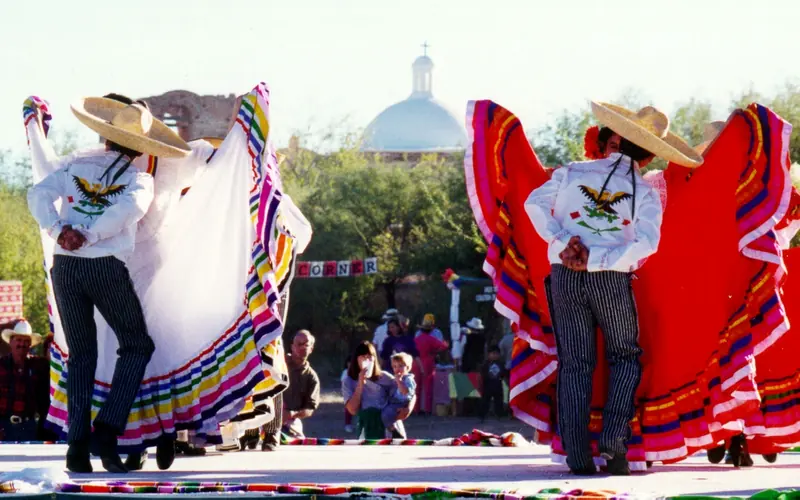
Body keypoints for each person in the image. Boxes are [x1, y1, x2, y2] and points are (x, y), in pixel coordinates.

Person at [464, 98, 793, 474]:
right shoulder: (646, 191)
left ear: (609, 141)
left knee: (575, 364)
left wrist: (563, 244)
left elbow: (533, 204)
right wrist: (598, 259)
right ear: (648, 156)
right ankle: (614, 445)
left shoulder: (572, 173)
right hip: (611, 281)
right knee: (625, 357)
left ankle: (576, 453)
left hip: (565, 276)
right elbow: (647, 244)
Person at [26, 96, 193, 473]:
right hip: (103, 267)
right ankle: (108, 427)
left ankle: (77, 448)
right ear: (139, 148)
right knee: (136, 345)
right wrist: (86, 235)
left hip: (65, 267)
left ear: (106, 137)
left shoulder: (74, 166)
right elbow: (127, 211)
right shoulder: (139, 178)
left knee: (81, 356)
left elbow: (38, 194)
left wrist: (60, 231)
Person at [342, 341, 412, 439]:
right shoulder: (349, 381)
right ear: (357, 359)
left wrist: (409, 407)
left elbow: (409, 393)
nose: (367, 360)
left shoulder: (385, 377)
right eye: (363, 357)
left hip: (390, 427)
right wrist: (360, 384)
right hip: (367, 427)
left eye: (370, 356)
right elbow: (352, 410)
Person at [0, 320, 50, 441]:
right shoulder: (1, 365)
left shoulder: (40, 366)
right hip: (2, 426)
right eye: (19, 340)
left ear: (30, 345)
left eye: (26, 341)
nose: (22, 344)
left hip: (29, 426)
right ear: (10, 342)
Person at [279, 330, 321, 439]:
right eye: (299, 344)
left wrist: (291, 414)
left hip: (290, 423)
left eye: (306, 344)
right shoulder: (278, 364)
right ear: (292, 346)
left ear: (311, 349)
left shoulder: (312, 377)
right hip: (266, 419)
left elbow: (310, 409)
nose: (302, 347)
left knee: (298, 442)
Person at [413, 315, 449, 415]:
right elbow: (444, 346)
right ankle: (428, 409)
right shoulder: (432, 339)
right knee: (428, 387)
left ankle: (416, 409)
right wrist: (434, 352)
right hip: (428, 361)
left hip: (416, 362)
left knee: (417, 387)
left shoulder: (416, 338)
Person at [382, 353, 416, 438]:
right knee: (385, 414)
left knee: (386, 414)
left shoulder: (408, 379)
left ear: (408, 368)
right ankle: (393, 430)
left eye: (401, 366)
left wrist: (399, 381)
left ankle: (394, 432)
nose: (397, 369)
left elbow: (405, 392)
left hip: (401, 402)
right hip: (395, 401)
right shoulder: (396, 378)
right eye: (394, 366)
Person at [479, 346, 506, 422]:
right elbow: (482, 373)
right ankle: (482, 416)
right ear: (489, 355)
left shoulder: (501, 363)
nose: (494, 355)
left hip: (497, 384)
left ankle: (499, 415)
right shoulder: (486, 363)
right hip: (487, 384)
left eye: (496, 354)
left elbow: (503, 372)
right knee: (485, 401)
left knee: (499, 400)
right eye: (493, 354)